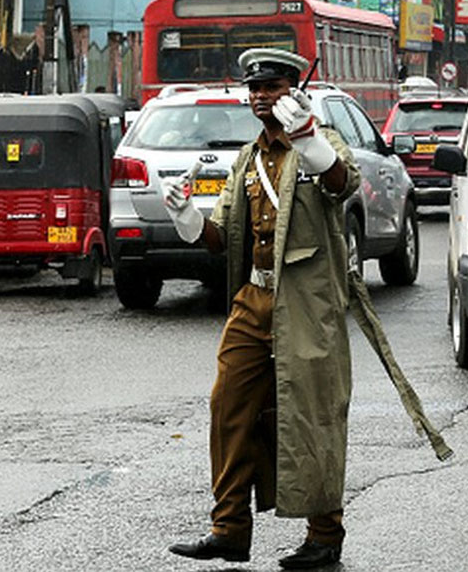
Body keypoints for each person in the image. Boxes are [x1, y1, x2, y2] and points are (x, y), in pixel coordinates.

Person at [165, 47, 361, 570]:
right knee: (228, 406)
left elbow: (344, 184)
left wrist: (310, 142)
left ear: (294, 91)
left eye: (271, 88)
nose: (260, 98)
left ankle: (325, 535)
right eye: (253, 89)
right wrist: (185, 214)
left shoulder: (319, 142)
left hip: (306, 302)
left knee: (313, 414)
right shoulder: (248, 159)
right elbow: (220, 236)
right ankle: (228, 528)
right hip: (253, 299)